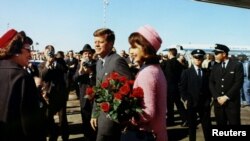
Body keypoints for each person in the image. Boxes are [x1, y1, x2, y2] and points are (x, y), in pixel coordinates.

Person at [0, 29, 46, 141]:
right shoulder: (22, 77)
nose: (31, 54)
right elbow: (30, 125)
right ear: (15, 49)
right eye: (28, 49)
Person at [90, 28, 132, 141]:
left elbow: (129, 87)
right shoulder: (99, 62)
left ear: (110, 44)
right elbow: (98, 90)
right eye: (95, 42)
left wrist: (123, 116)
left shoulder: (117, 61)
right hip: (101, 117)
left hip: (113, 119)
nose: (96, 45)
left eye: (100, 42)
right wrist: (94, 114)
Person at [127, 25, 167, 141]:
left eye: (134, 47)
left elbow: (148, 112)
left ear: (146, 48)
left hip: (146, 134)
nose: (131, 51)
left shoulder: (147, 72)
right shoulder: (155, 69)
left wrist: (128, 119)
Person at [38, 45, 69, 141]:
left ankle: (65, 137)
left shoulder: (60, 62)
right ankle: (53, 136)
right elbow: (42, 76)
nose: (50, 54)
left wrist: (55, 62)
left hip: (60, 94)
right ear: (45, 53)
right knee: (49, 118)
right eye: (48, 52)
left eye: (52, 52)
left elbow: (64, 70)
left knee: (62, 119)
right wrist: (48, 64)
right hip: (48, 96)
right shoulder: (41, 65)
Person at [179, 49, 212, 141]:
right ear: (192, 58)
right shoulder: (186, 72)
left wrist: (209, 100)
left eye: (200, 58)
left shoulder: (207, 72)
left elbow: (209, 87)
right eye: (196, 58)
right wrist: (185, 99)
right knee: (192, 127)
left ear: (203, 59)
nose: (198, 60)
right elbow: (182, 87)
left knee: (207, 126)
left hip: (204, 104)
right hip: (191, 103)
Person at [209, 44, 244, 125]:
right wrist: (217, 97)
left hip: (232, 102)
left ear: (224, 54)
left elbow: (238, 82)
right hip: (218, 102)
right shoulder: (215, 66)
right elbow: (211, 82)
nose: (215, 55)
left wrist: (226, 97)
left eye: (217, 53)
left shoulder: (236, 65)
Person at [74, 44, 97, 141]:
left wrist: (90, 73)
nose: (87, 55)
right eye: (85, 53)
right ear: (82, 55)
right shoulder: (79, 64)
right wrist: (80, 71)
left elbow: (98, 81)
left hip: (95, 97)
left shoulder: (97, 64)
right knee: (85, 119)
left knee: (95, 121)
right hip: (84, 96)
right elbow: (74, 79)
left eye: (89, 53)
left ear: (92, 54)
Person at [161, 47, 187, 126]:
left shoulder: (167, 63)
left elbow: (164, 73)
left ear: (169, 53)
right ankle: (185, 119)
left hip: (169, 86)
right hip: (177, 86)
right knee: (179, 104)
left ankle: (170, 121)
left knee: (169, 105)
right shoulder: (179, 63)